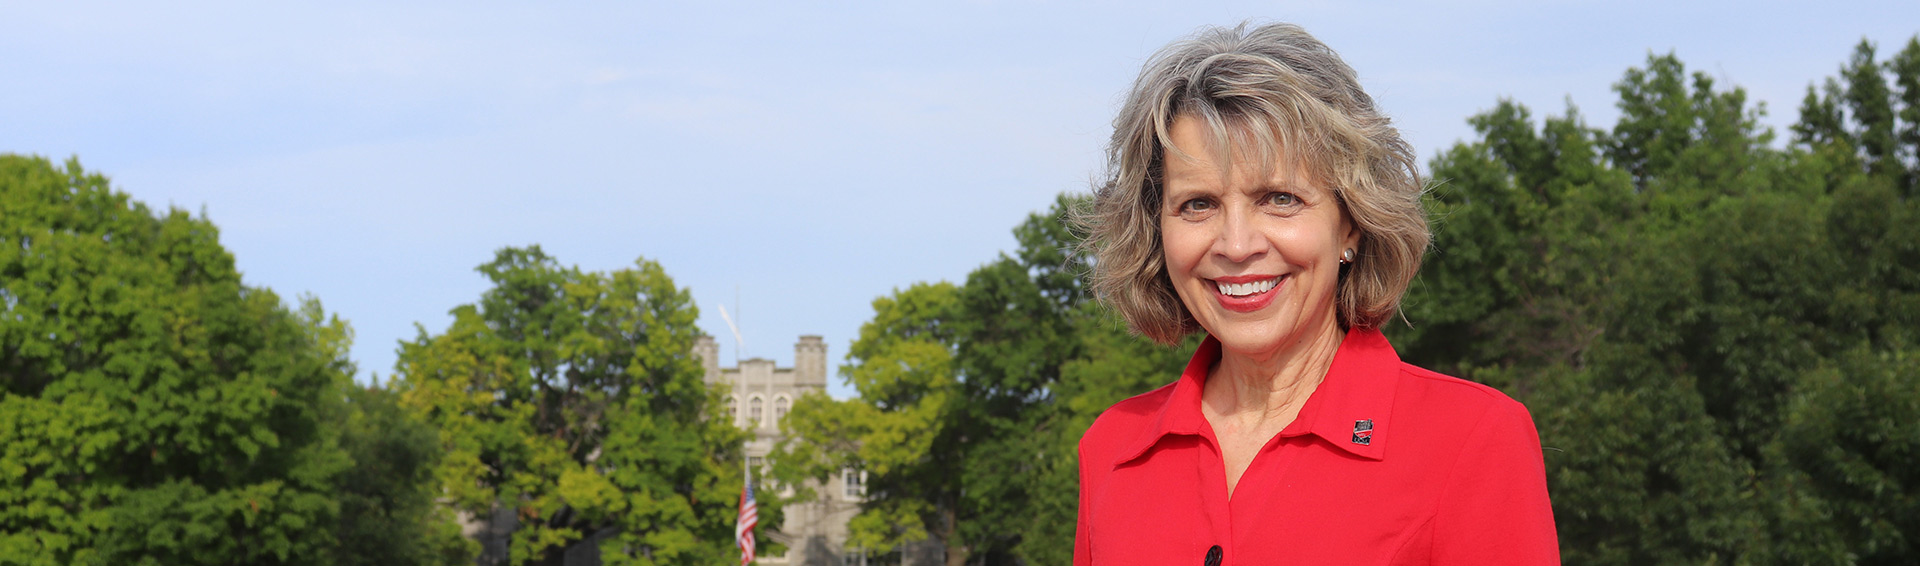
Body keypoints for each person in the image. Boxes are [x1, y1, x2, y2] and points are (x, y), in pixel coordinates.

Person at [1072, 22, 1558, 565]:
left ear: (1350, 222)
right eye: (1198, 205)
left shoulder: (1473, 440)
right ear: (1155, 232)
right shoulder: (1112, 449)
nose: (1236, 245)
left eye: (1279, 198)